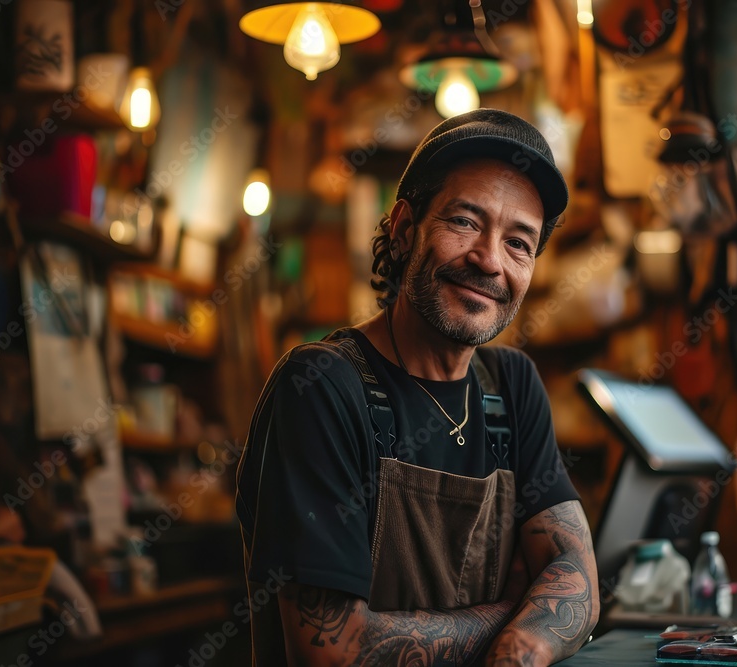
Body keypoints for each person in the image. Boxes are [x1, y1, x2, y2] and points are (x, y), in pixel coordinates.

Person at [235, 108, 599, 666]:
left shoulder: (511, 385)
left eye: (519, 243)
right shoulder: (321, 388)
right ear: (405, 229)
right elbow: (331, 653)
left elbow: (578, 581)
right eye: (465, 222)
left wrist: (521, 646)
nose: (489, 260)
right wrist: (513, 610)